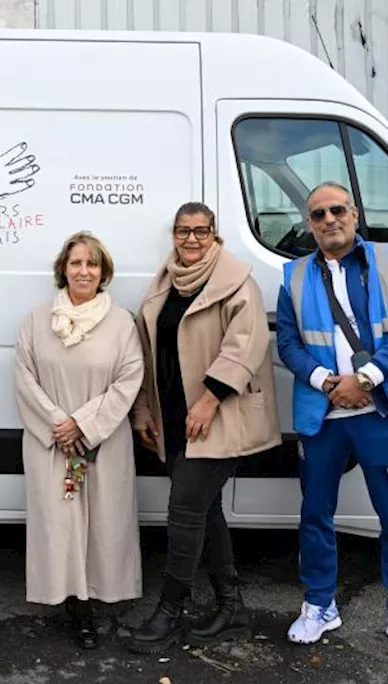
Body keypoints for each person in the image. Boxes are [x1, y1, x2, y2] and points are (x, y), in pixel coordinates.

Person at [275, 181, 388, 663]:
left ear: (354, 214)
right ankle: (319, 604)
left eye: (336, 210)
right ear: (309, 225)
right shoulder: (293, 276)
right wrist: (328, 383)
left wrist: (364, 381)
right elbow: (288, 343)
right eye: (317, 214)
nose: (328, 220)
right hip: (322, 414)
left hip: (380, 410)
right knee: (315, 514)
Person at [127, 201, 281, 654]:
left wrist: (210, 399)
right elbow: (146, 356)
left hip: (216, 417)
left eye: (201, 231)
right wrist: (145, 413)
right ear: (173, 235)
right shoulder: (164, 283)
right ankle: (232, 606)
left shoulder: (237, 283)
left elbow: (246, 346)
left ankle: (171, 611)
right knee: (206, 512)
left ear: (215, 235)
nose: (191, 239)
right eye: (182, 231)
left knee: (185, 511)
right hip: (175, 421)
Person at [13, 231, 145, 649]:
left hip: (102, 439)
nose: (83, 271)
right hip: (52, 441)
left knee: (104, 522)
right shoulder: (37, 318)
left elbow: (129, 380)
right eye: (76, 263)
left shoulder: (121, 320)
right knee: (60, 524)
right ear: (63, 269)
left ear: (103, 271)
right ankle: (74, 604)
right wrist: (61, 424)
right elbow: (24, 377)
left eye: (92, 263)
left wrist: (84, 425)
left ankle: (99, 593)